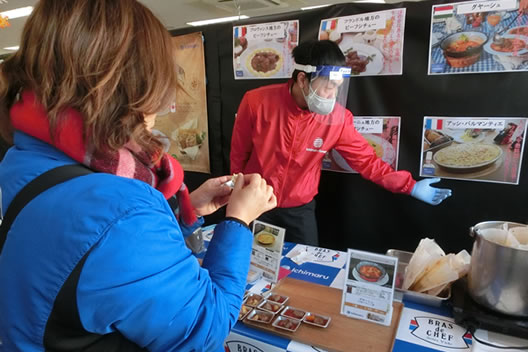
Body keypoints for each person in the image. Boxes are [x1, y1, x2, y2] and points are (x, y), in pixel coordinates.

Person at [0, 1, 277, 351]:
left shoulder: (31, 156)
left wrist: (186, 209)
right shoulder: (122, 211)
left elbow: (91, 258)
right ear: (130, 89)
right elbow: (206, 329)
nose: (159, 109)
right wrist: (239, 220)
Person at [230, 40, 451, 246]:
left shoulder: (338, 119)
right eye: (328, 86)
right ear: (302, 79)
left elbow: (367, 161)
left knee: (305, 268)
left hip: (299, 209)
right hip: (254, 202)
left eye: (338, 87)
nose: (333, 94)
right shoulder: (256, 102)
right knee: (250, 264)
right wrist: (237, 190)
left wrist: (410, 186)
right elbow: (239, 153)